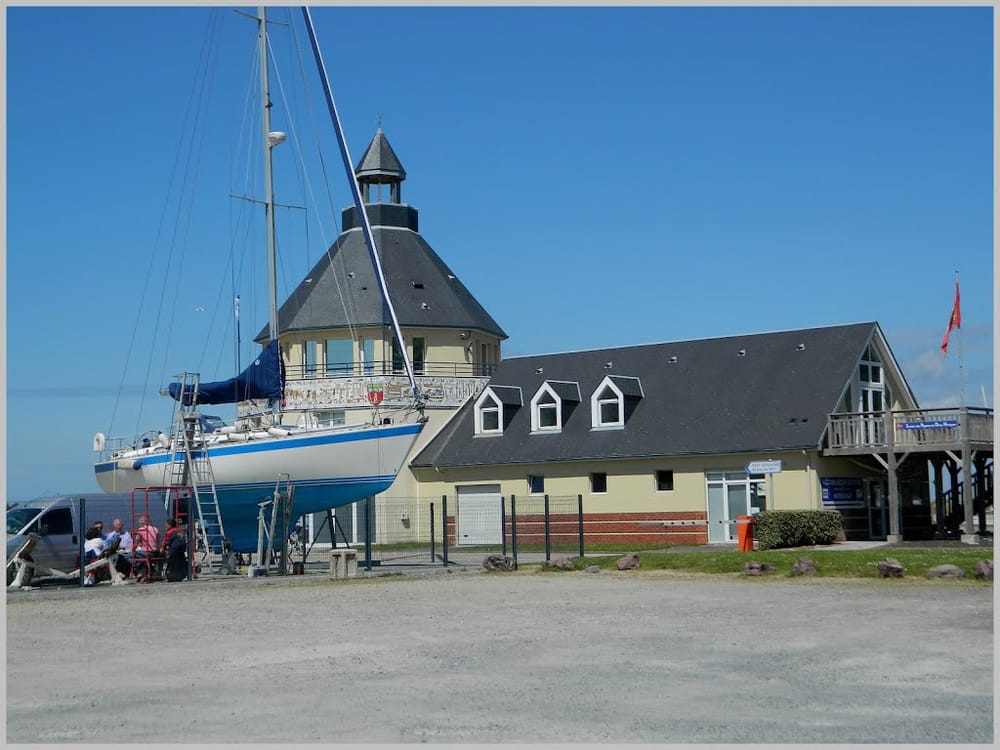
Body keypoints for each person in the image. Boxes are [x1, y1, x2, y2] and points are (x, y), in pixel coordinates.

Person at [132, 515, 160, 581]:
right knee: (142, 558)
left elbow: (136, 543)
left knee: (130, 556)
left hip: (147, 552)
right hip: (155, 552)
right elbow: (158, 542)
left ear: (142, 523)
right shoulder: (155, 529)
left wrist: (133, 549)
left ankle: (140, 572)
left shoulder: (141, 530)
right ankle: (149, 573)